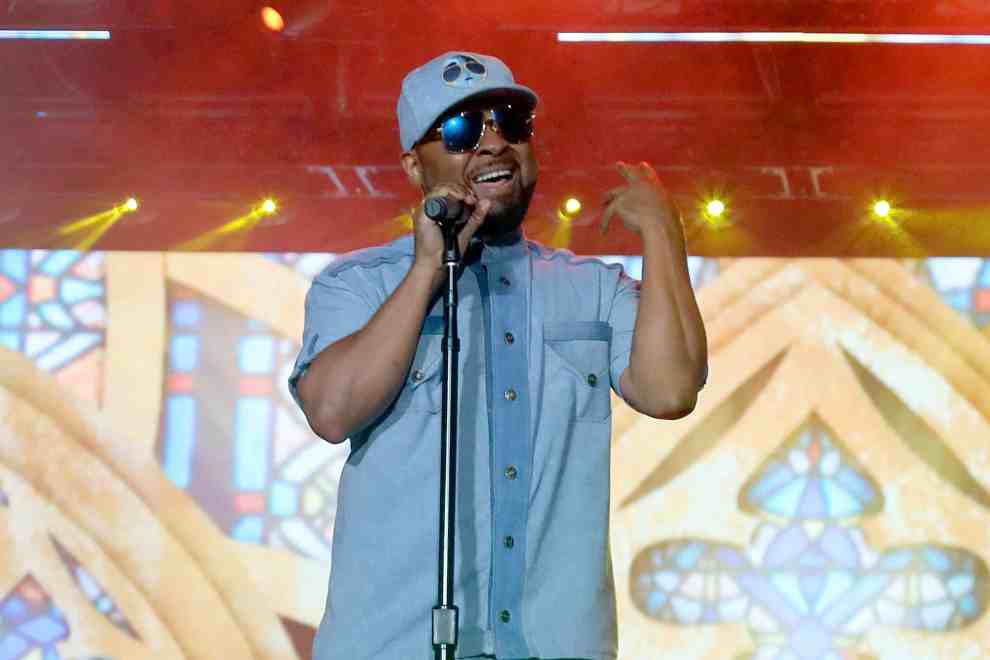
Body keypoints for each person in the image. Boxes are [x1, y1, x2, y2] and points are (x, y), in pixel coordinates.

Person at [289, 51, 708, 660]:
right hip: (393, 646)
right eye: (460, 130)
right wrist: (429, 268)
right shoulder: (359, 286)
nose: (492, 144)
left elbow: (670, 392)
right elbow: (331, 412)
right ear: (415, 164)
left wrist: (664, 235)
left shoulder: (593, 288)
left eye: (510, 122)